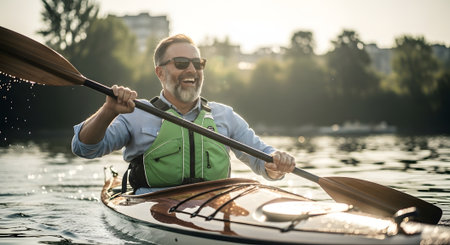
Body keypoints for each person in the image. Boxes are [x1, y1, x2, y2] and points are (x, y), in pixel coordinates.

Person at [72, 34, 296, 194]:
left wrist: (278, 164)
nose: (191, 69)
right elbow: (84, 148)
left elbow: (263, 161)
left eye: (198, 63)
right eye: (181, 63)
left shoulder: (224, 116)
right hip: (151, 207)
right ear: (160, 72)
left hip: (214, 206)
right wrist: (108, 111)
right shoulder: (134, 112)